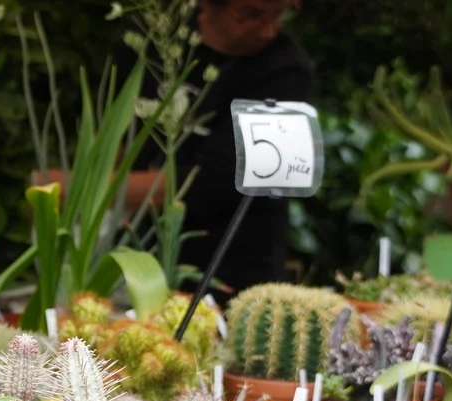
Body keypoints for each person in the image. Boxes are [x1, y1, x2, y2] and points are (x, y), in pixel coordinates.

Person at [123, 0, 313, 301]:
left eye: (279, 14)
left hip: (233, 272)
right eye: (251, 13)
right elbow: (124, 142)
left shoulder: (286, 72)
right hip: (141, 259)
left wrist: (91, 192)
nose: (267, 30)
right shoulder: (162, 40)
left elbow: (209, 184)